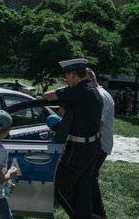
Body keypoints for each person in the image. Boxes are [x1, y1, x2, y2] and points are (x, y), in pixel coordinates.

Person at [42, 58, 104, 219]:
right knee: (83, 187)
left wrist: (65, 91)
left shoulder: (78, 90)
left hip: (79, 148)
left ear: (73, 75)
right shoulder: (92, 89)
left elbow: (46, 96)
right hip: (93, 146)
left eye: (66, 76)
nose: (66, 80)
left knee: (59, 186)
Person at [85, 68, 113, 219]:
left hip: (100, 144)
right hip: (98, 143)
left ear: (89, 80)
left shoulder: (100, 96)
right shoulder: (97, 94)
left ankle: (98, 213)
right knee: (89, 176)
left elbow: (97, 123)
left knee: (89, 177)